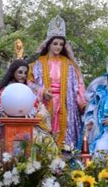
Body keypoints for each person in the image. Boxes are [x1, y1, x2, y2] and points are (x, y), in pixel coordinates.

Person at [28, 15, 86, 149]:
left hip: (66, 103)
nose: (58, 47)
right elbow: (28, 83)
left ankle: (65, 153)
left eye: (61, 44)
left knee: (64, 132)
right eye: (55, 43)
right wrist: (41, 91)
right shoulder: (37, 63)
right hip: (45, 102)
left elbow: (79, 84)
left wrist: (82, 103)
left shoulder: (70, 64)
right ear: (48, 44)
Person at [0, 59, 52, 141]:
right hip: (8, 127)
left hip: (28, 126)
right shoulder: (3, 92)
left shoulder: (29, 92)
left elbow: (39, 107)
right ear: (13, 72)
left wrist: (38, 114)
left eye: (25, 73)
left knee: (43, 139)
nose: (23, 75)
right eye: (20, 72)